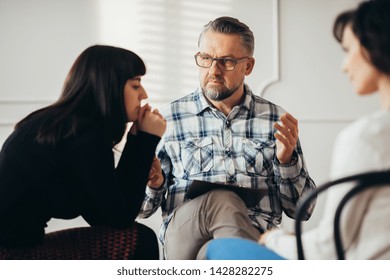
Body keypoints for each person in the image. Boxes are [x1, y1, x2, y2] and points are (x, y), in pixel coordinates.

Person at [209, 0, 390, 260]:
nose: (344, 65)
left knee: (221, 250)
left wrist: (275, 239)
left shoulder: (366, 138)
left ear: (375, 47)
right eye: (206, 58)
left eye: (349, 50)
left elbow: (328, 248)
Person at [138, 16, 316, 260]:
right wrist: (154, 185)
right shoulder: (169, 118)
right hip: (184, 237)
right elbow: (141, 210)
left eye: (227, 61)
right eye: (206, 58)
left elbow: (301, 210)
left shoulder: (276, 120)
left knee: (212, 255)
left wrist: (286, 162)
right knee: (222, 200)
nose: (213, 70)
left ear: (248, 66)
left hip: (250, 238)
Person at [0, 45, 166, 259]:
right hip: (12, 255)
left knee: (138, 236)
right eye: (136, 85)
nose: (144, 94)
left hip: (16, 247)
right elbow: (120, 218)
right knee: (140, 240)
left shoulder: (67, 127)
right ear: (110, 87)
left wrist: (137, 142)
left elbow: (106, 213)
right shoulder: (86, 135)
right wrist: (145, 139)